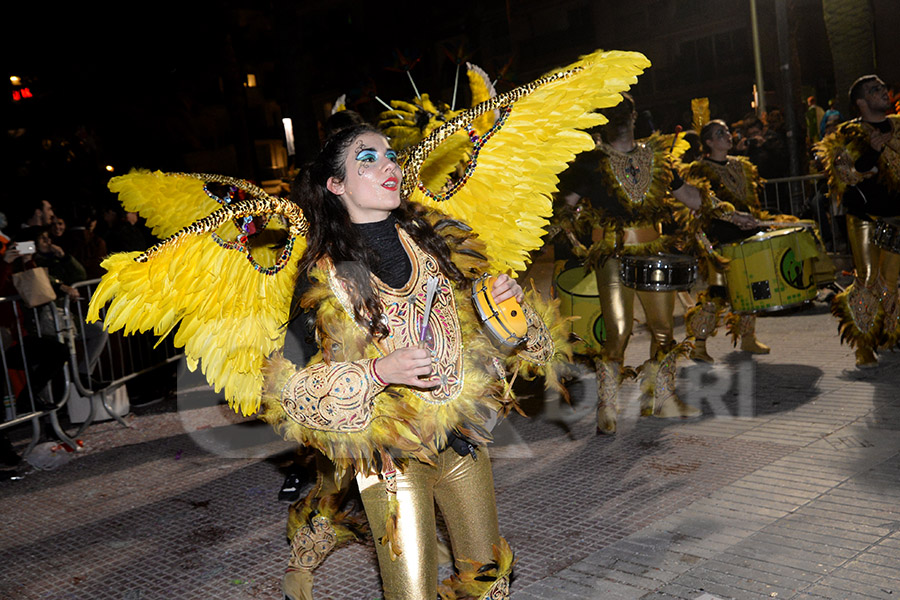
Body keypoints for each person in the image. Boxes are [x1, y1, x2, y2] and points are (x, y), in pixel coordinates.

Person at [260, 124, 564, 599]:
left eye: (391, 154)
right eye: (368, 158)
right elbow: (287, 391)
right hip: (390, 462)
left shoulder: (437, 243)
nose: (389, 165)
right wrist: (379, 373)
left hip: (460, 439)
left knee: (489, 580)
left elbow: (511, 346)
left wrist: (509, 312)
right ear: (335, 185)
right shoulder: (323, 277)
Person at [556, 93, 703, 434]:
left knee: (664, 330)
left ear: (635, 115)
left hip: (654, 251)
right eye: (612, 111)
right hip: (611, 254)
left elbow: (690, 197)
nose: (620, 117)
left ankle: (661, 398)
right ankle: (607, 405)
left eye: (624, 110)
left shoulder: (657, 158)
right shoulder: (589, 162)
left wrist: (725, 209)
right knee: (618, 333)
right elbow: (563, 206)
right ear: (603, 120)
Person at [815, 74, 900, 368]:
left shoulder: (899, 125)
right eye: (875, 90)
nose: (883, 92)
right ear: (861, 102)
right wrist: (873, 152)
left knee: (889, 283)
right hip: (864, 217)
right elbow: (846, 174)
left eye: (883, 87)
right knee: (865, 278)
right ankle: (863, 344)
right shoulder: (846, 133)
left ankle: (887, 335)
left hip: (896, 217)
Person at [683, 119, 774, 363]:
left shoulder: (741, 165)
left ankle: (747, 337)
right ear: (709, 142)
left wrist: (754, 221)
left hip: (745, 232)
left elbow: (749, 199)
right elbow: (703, 205)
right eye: (719, 133)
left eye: (727, 130)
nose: (727, 135)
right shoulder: (699, 169)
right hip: (717, 237)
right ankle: (699, 344)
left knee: (751, 285)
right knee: (717, 292)